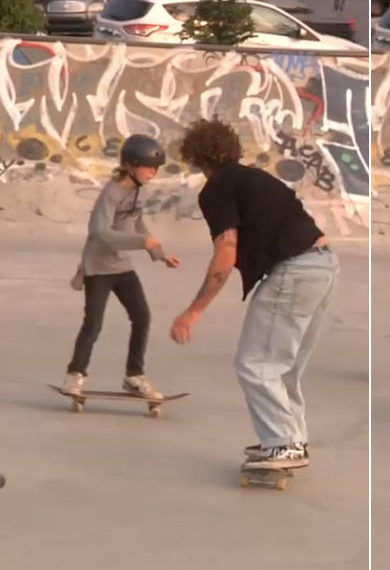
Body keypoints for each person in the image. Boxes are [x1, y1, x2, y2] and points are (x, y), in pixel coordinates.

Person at [171, 118, 340, 470]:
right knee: (285, 367)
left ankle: (283, 444)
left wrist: (194, 310)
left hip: (293, 271)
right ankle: (293, 438)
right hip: (324, 265)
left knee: (255, 364)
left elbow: (225, 253)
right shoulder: (258, 178)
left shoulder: (218, 188)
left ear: (196, 158)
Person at [62, 135, 181, 399]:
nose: (154, 172)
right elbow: (100, 232)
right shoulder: (111, 192)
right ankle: (75, 375)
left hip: (122, 266)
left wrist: (159, 253)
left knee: (142, 317)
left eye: (157, 168)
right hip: (98, 267)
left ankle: (134, 375)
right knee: (93, 324)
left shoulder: (137, 190)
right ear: (130, 165)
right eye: (149, 167)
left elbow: (137, 224)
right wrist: (143, 242)